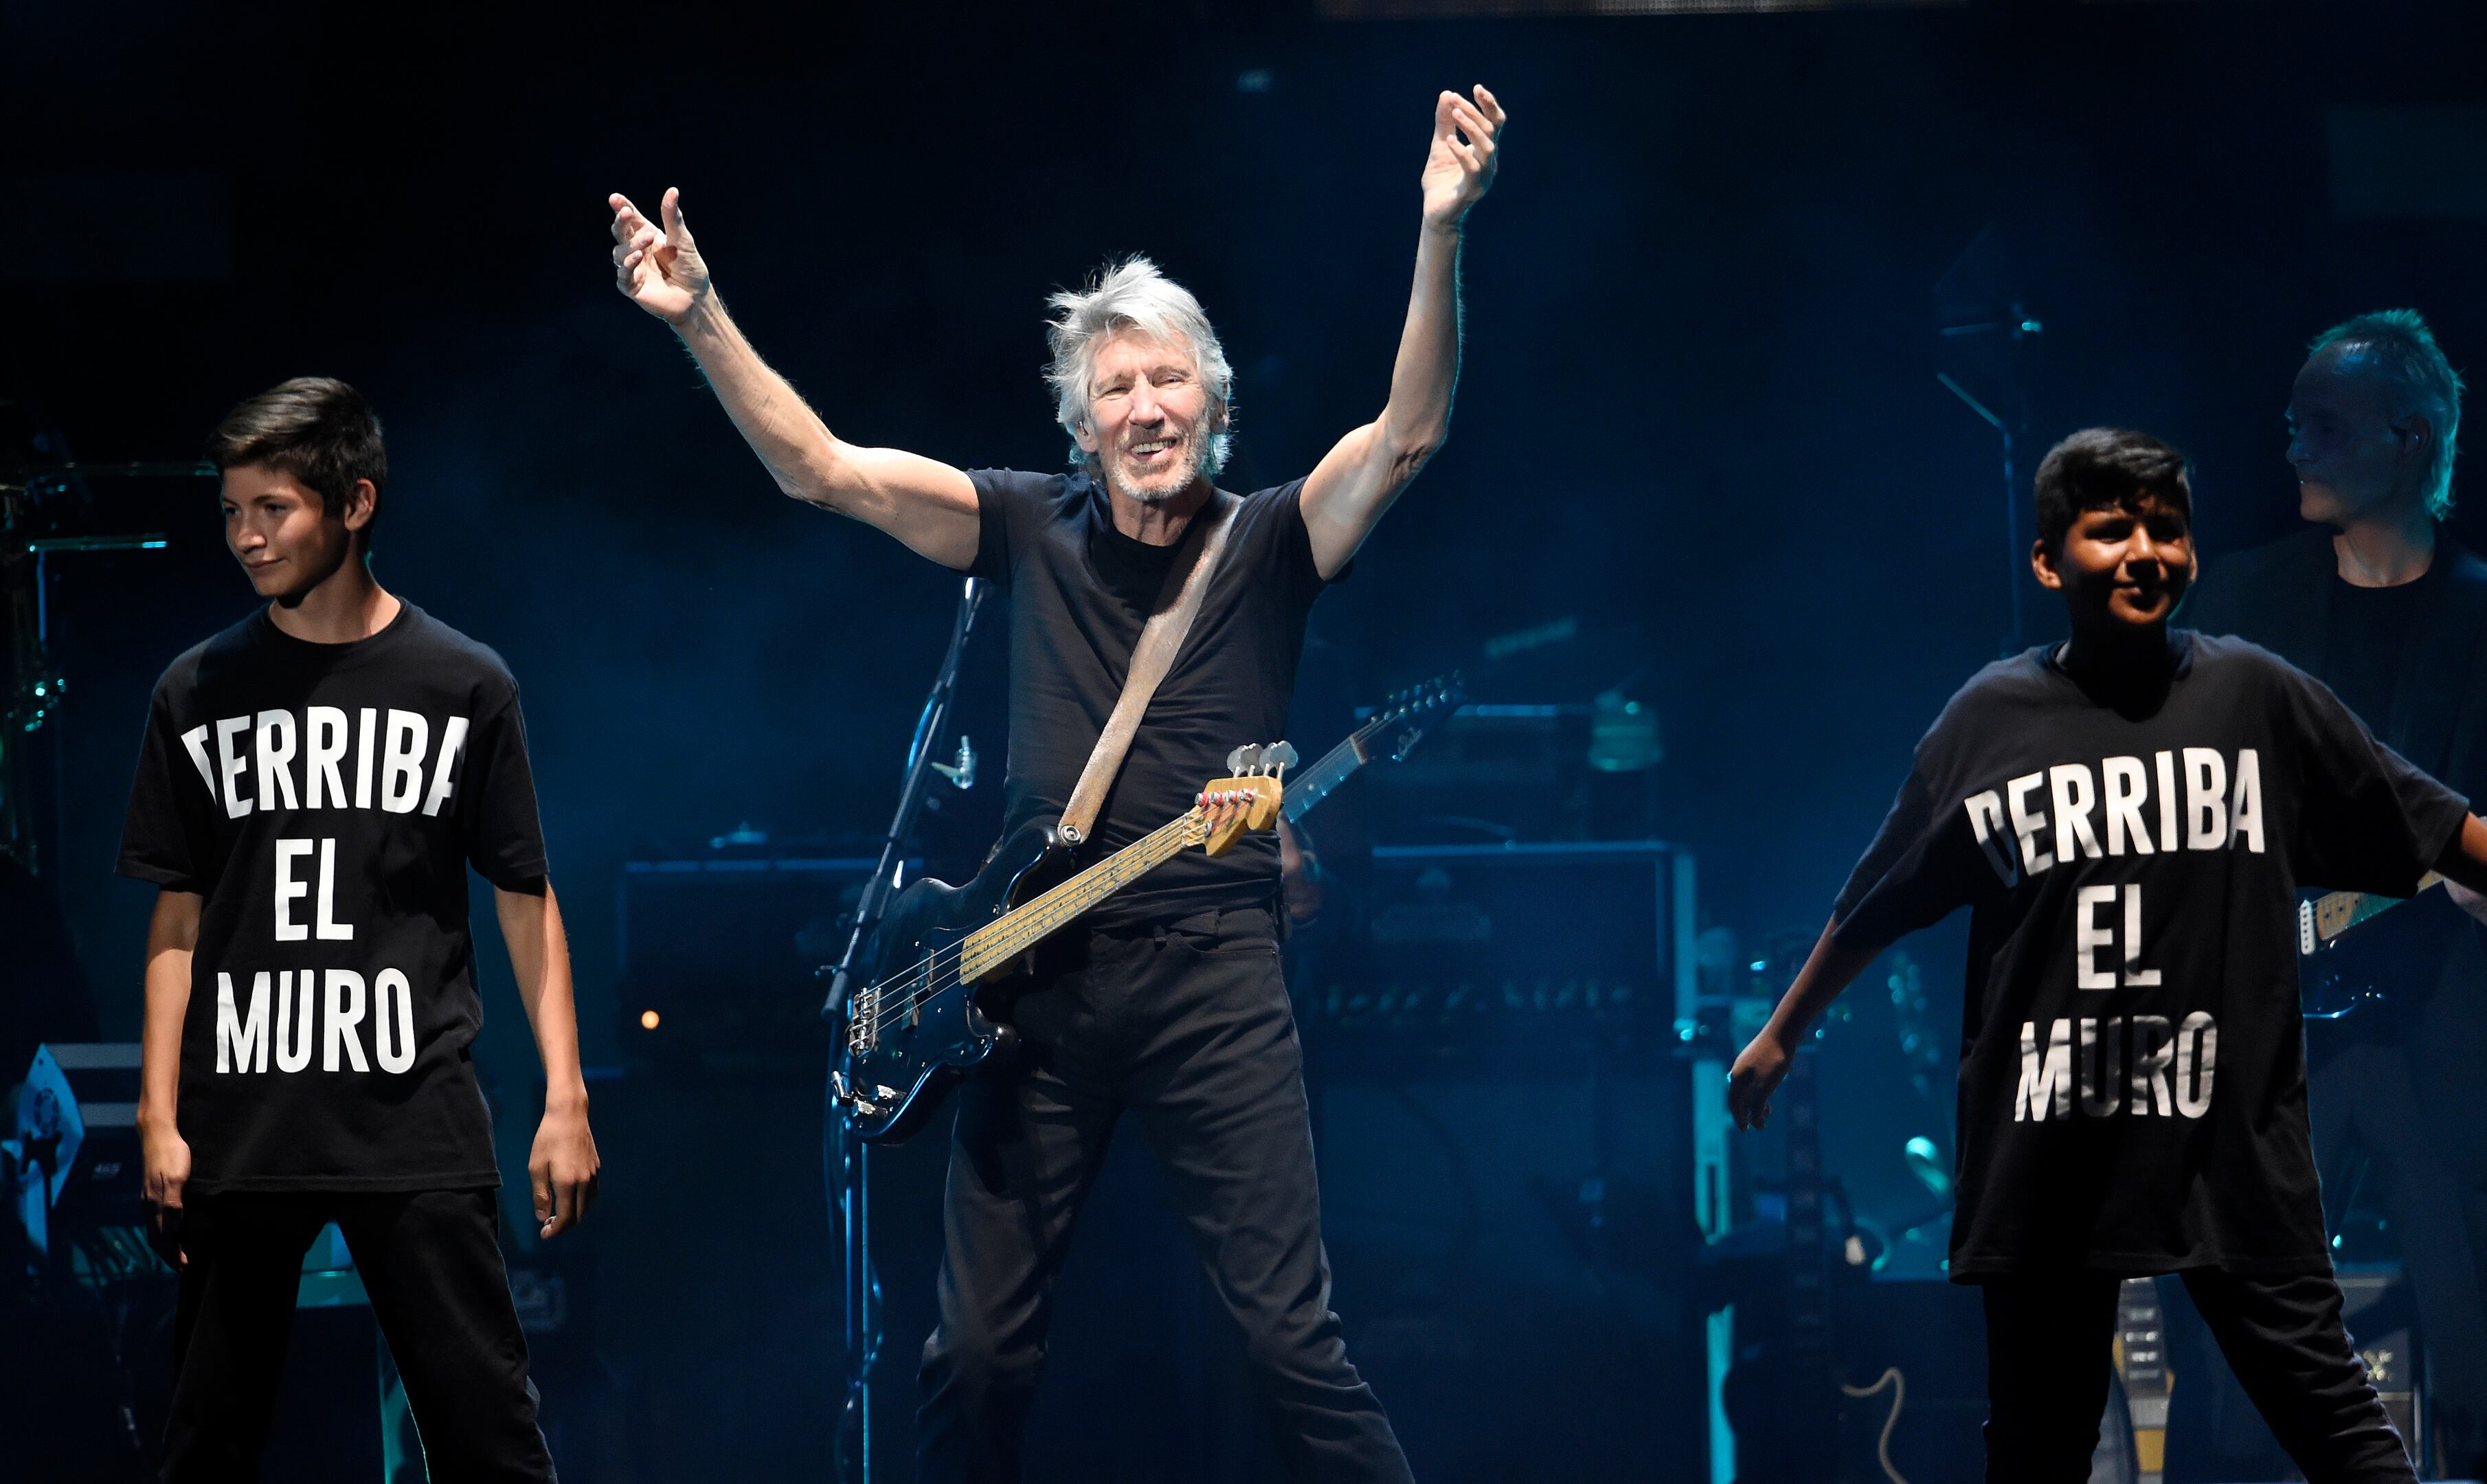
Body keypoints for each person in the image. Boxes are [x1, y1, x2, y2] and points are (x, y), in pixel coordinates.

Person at [607, 84, 1506, 1483]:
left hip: (1215, 976)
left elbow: (1409, 438)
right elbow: (824, 473)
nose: (1145, 409)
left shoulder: (1270, 542)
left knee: (1286, 1343)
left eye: (1169, 380)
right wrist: (700, 314)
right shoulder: (1023, 525)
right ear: (1080, 422)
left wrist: (1440, 229)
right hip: (1024, 984)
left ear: (1215, 401)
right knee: (972, 1355)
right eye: (1117, 389)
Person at [1722, 427, 2487, 1484]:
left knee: (2341, 1431)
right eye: (2112, 532)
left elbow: (2422, 815)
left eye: (2168, 529)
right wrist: (1785, 1030)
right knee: (2039, 1447)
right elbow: (1879, 898)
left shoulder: (2254, 696)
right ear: (2050, 562)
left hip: (2225, 1148)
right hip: (2051, 1157)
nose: (2146, 551)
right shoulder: (1989, 722)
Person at [119, 376, 600, 1480]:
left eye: (272, 509)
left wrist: (564, 1102)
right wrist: (158, 1118)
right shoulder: (195, 690)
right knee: (206, 1446)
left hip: (416, 1115)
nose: (245, 537)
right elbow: (176, 912)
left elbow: (524, 896)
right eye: (231, 511)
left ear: (355, 504)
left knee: (491, 1441)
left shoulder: (463, 683)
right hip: (244, 1122)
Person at [2168, 310, 2487, 1479]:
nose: (2296, 447)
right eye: (2294, 423)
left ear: (2411, 441)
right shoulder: (2237, 607)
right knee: (2240, 1379)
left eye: (2326, 426)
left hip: (2451, 1043)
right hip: (2272, 1039)